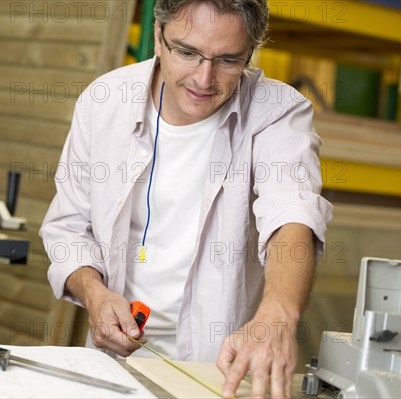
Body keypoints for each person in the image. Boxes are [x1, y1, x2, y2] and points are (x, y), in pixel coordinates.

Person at [40, 0, 333, 397]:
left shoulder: (277, 112)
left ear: (250, 52)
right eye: (188, 52)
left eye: (229, 60)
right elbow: (68, 228)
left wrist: (278, 314)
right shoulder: (104, 101)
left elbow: (292, 211)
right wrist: (94, 292)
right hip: (112, 368)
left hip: (219, 373)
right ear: (159, 38)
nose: (204, 78)